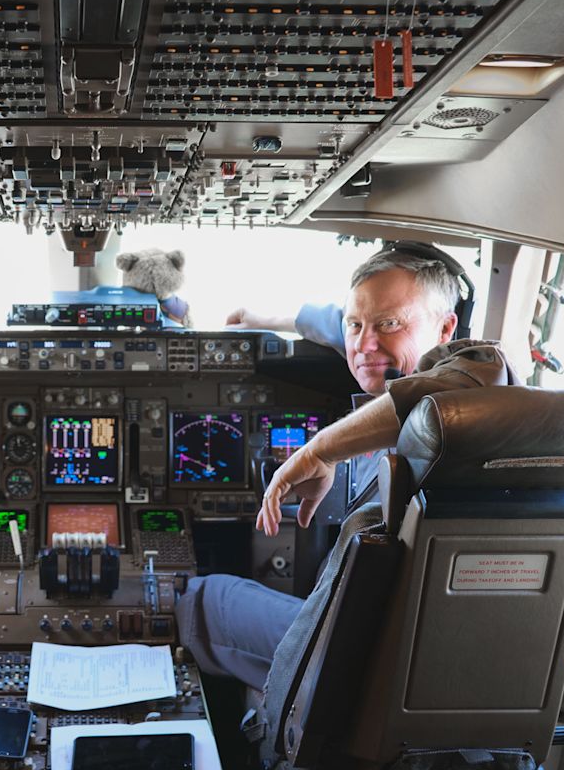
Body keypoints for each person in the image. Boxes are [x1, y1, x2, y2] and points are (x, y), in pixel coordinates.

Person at [177, 247, 521, 688]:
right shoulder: (380, 354)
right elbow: (349, 322)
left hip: (368, 658)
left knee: (200, 596)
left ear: (447, 327)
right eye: (355, 327)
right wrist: (265, 316)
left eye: (390, 324)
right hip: (408, 650)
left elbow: (479, 371)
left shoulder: (465, 406)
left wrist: (321, 450)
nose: (365, 344)